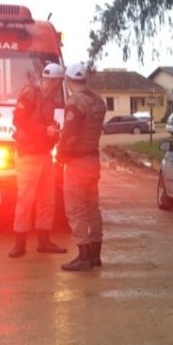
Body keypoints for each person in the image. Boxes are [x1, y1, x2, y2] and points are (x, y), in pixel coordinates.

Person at [8, 63, 68, 257]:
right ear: (54, 80)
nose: (58, 85)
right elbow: (19, 121)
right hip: (28, 154)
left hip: (43, 154)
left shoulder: (52, 100)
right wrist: (44, 131)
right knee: (25, 199)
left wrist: (55, 131)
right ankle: (20, 244)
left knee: (47, 200)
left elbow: (49, 124)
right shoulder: (30, 94)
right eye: (58, 81)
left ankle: (43, 241)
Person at [57, 63, 108, 272]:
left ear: (69, 81)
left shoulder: (75, 102)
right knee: (92, 208)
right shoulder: (98, 101)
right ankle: (95, 255)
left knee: (75, 209)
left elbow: (70, 134)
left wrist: (60, 154)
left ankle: (83, 256)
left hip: (77, 162)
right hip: (93, 161)